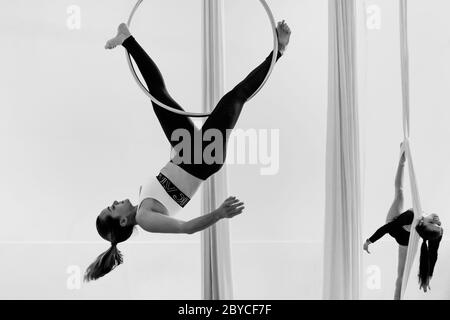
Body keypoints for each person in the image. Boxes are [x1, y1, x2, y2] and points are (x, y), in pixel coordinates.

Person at [84, 21, 292, 281]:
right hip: (202, 157)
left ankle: (127, 39)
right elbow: (186, 228)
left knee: (157, 95)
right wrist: (219, 214)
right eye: (111, 209)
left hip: (185, 151)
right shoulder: (146, 219)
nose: (113, 203)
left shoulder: (142, 201)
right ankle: (279, 51)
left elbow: (172, 181)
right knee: (236, 96)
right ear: (122, 221)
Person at [363, 144, 444, 299]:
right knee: (399, 193)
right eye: (437, 222)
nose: (436, 219)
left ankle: (396, 298)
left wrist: (369, 241)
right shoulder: (437, 231)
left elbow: (388, 227)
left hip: (397, 230)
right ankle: (402, 159)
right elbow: (433, 254)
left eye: (433, 222)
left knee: (400, 278)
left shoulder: (411, 218)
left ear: (423, 224)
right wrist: (429, 277)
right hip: (400, 228)